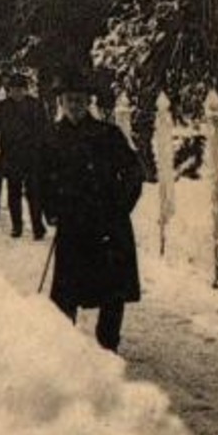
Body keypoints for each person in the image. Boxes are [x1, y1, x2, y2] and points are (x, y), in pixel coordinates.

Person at [40, 72, 145, 353]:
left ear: (89, 102)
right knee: (66, 293)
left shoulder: (108, 135)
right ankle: (63, 350)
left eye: (80, 100)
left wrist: (120, 207)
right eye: (68, 100)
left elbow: (134, 172)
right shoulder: (51, 137)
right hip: (73, 226)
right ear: (60, 102)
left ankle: (107, 347)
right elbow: (38, 178)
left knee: (112, 291)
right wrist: (50, 209)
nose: (74, 105)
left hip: (108, 226)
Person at [0, 73, 52, 239]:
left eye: (20, 89)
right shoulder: (2, 107)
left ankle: (37, 226)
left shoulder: (35, 106)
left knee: (34, 192)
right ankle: (17, 226)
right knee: (13, 192)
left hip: (32, 155)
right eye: (14, 89)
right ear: (9, 91)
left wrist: (45, 148)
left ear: (26, 90)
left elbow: (45, 129)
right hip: (11, 156)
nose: (17, 93)